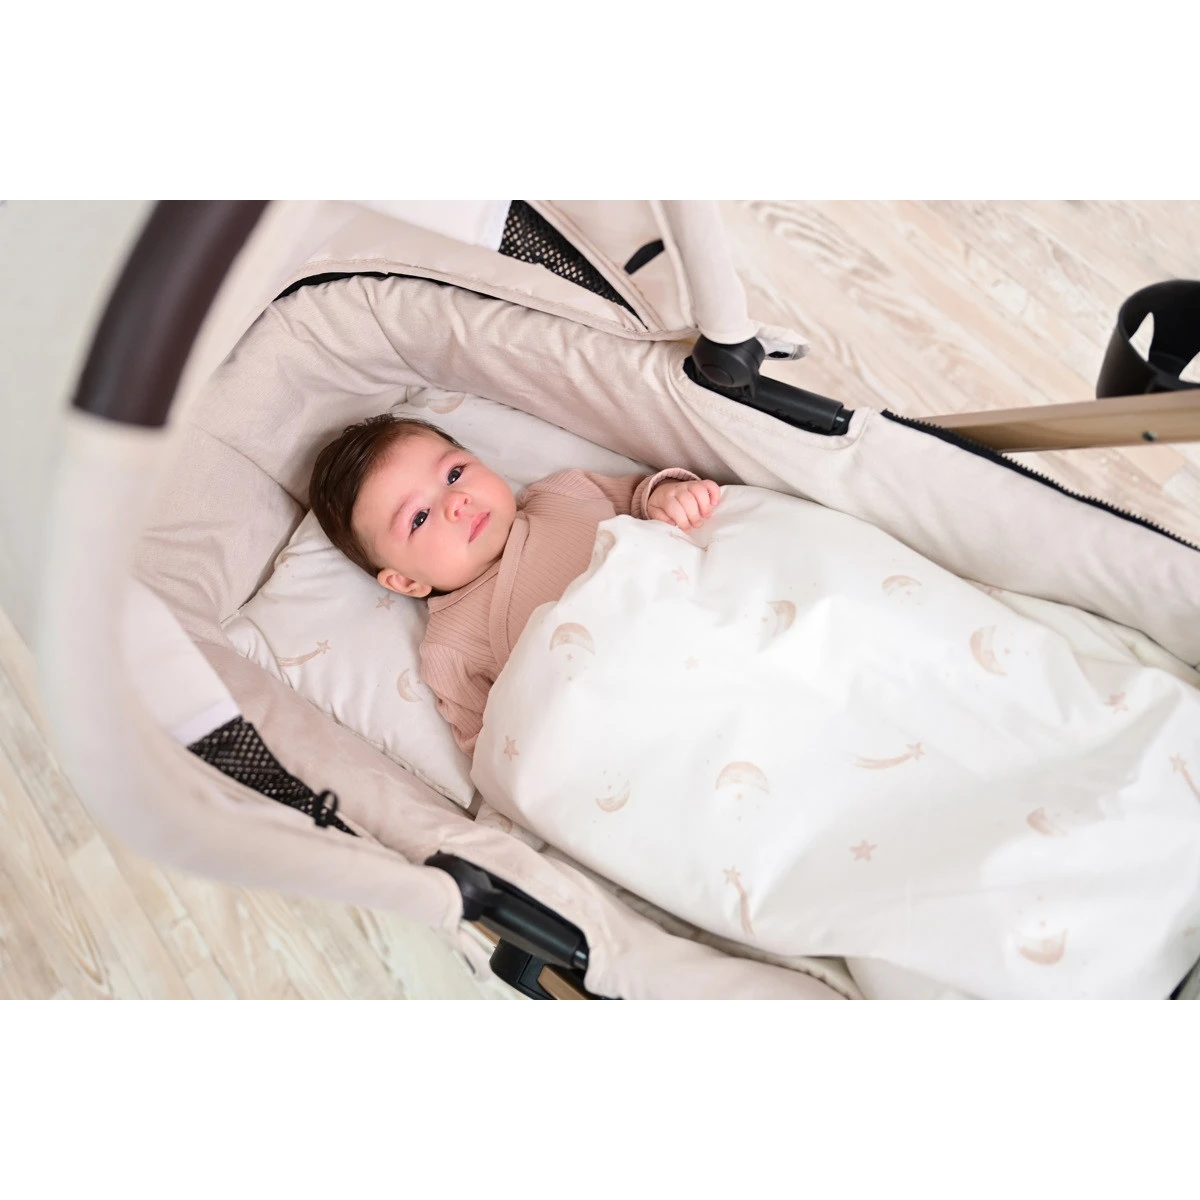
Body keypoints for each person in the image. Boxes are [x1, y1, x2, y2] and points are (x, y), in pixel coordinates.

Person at [309, 413, 720, 754]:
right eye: (419, 517)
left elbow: (638, 497)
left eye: (454, 474)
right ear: (407, 581)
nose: (455, 502)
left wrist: (667, 495)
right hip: (631, 713)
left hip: (695, 617)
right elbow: (493, 749)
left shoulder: (563, 492)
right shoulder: (449, 648)